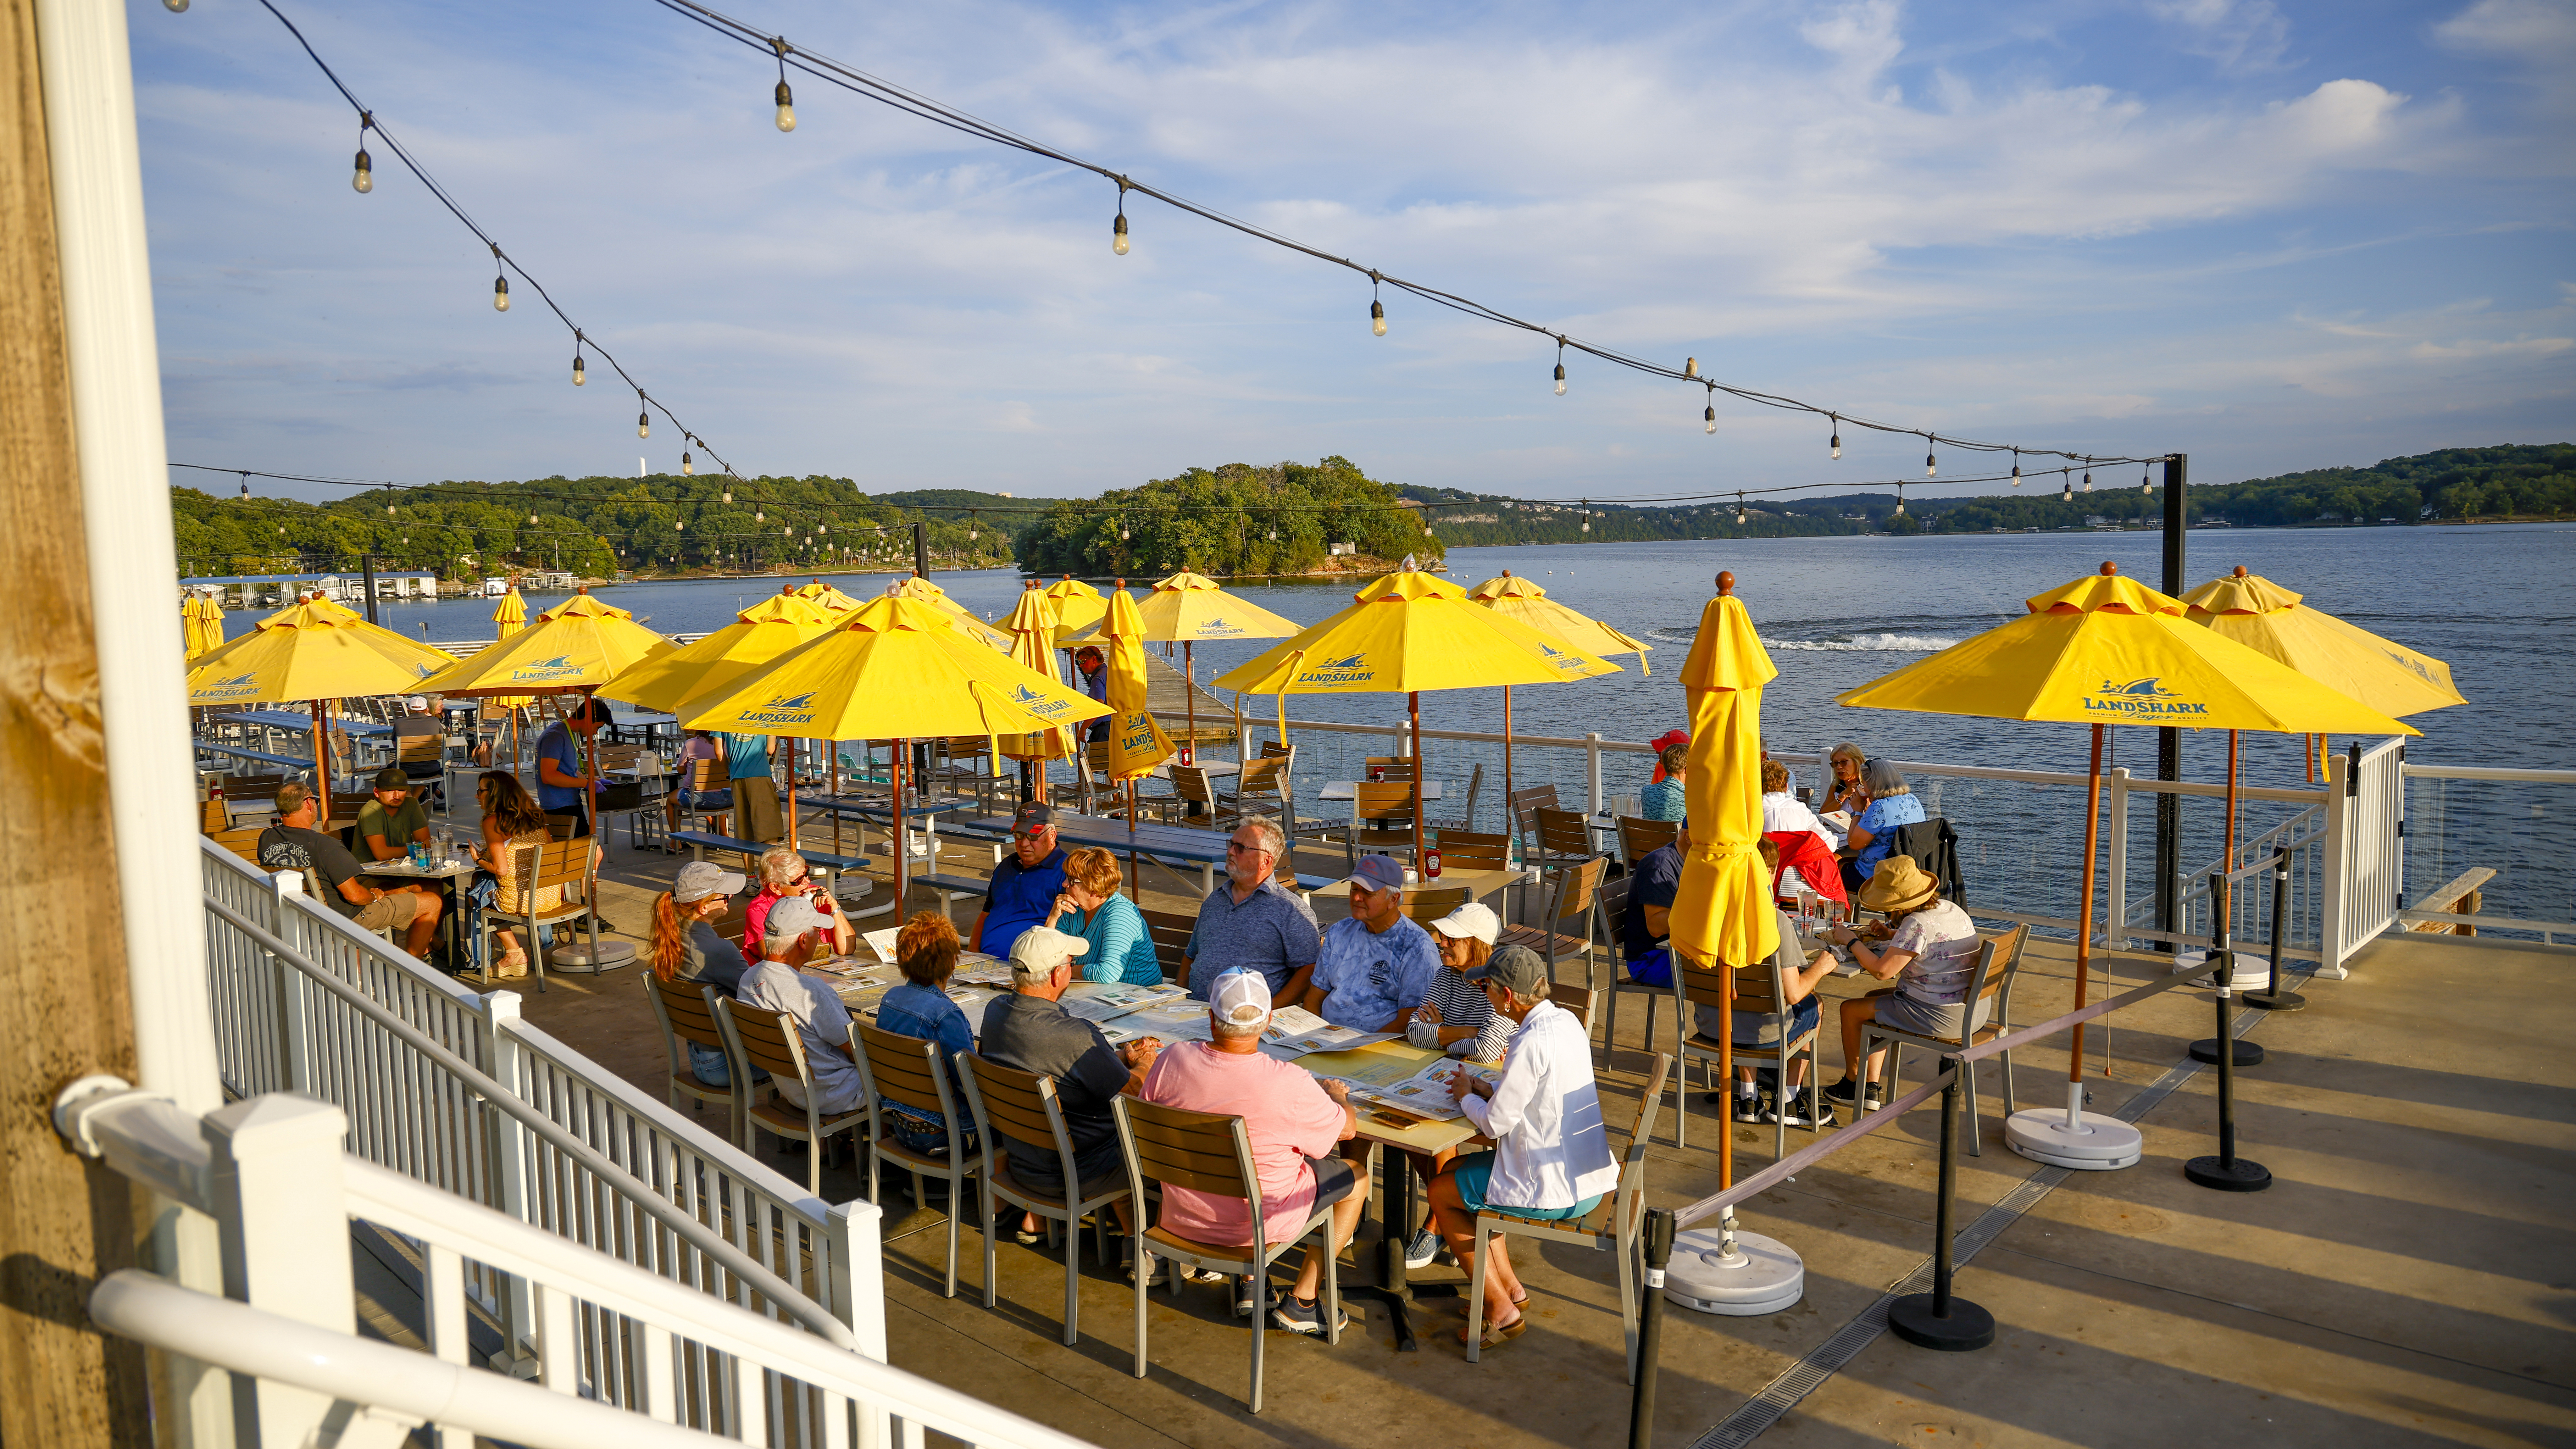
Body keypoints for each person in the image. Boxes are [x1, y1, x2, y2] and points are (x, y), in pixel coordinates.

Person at [1137, 968, 1366, 1331]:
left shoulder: (1171, 1060)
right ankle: (1303, 1300)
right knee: (1357, 1176)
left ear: (1211, 1018)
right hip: (1254, 1226)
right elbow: (1347, 1130)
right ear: (1269, 1021)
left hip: (1181, 1215)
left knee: (1270, 1155)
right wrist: (1337, 1097)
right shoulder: (1288, 1081)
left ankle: (1252, 1282)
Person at [1428, 946, 1618, 1352]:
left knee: (1441, 1193)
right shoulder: (1565, 1020)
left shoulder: (1527, 1041)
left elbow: (1497, 1124)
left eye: (1487, 989)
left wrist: (1466, 1095)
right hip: (1582, 1174)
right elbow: (1538, 1092)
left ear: (1507, 996)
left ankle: (1500, 1308)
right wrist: (1489, 1088)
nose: (1485, 996)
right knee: (1452, 1178)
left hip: (1554, 1189)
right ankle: (1509, 1289)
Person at [978, 925, 1160, 1250]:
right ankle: (1143, 1248)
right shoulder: (1075, 1036)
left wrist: (1115, 1055)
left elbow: (1054, 1062)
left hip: (1022, 1160)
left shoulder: (995, 1012)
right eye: (1068, 963)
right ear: (1055, 976)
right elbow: (1133, 1092)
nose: (1071, 969)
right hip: (1080, 1171)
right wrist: (1146, 1061)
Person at [1397, 901, 1511, 1271]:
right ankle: (1446, 1216)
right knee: (1403, 1128)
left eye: (1450, 938)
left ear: (1477, 944)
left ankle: (1437, 1221)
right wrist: (1463, 1032)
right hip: (1443, 1078)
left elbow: (1488, 1049)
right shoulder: (1447, 976)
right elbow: (1414, 1030)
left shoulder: (1499, 982)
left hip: (1486, 1093)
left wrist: (1442, 1033)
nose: (1439, 942)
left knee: (1417, 1134)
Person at [1822, 857, 1984, 1116]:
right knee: (1871, 1001)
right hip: (1971, 1008)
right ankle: (1869, 1087)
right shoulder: (1950, 908)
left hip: (1942, 1017)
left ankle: (1854, 1087)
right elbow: (1928, 944)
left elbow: (1882, 971)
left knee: (1851, 1010)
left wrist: (1851, 941)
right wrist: (1892, 936)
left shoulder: (1915, 924)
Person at [1691, 841, 1835, 1126]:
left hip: (1711, 1024)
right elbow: (1793, 994)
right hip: (1761, 1034)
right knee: (1813, 1004)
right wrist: (1823, 966)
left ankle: (1748, 1096)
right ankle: (1789, 1100)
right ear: (1769, 873)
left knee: (1741, 1001)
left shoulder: (1701, 913)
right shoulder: (1775, 920)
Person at [258, 780, 444, 958]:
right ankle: (412, 972)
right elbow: (355, 897)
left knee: (405, 890)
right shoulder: (324, 845)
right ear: (308, 804)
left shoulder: (266, 838)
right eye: (315, 801)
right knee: (432, 902)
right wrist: (373, 898)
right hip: (341, 919)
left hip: (296, 914)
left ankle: (428, 944)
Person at [736, 896, 864, 1116]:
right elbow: (855, 1049)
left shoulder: (748, 979)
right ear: (803, 941)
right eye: (817, 932)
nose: (821, 939)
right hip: (835, 1093)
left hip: (792, 1089)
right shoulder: (811, 991)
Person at [872, 910, 979, 1163]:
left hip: (900, 1123)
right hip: (946, 1134)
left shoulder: (891, 999)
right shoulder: (946, 1014)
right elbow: (970, 1082)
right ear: (953, 962)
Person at [1183, 819, 1320, 1004]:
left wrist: (1267, 1014)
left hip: (1250, 1021)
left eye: (1240, 848)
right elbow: (1191, 955)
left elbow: (1307, 972)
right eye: (1231, 844)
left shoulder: (1291, 911)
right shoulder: (1215, 900)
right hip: (1192, 1012)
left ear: (1266, 861)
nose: (1230, 851)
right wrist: (1178, 999)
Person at [1301, 855, 1442, 1033]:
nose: (1357, 898)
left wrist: (1360, 1047)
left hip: (1379, 1047)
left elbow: (1410, 1021)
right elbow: (1314, 998)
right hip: (1326, 1037)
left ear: (1393, 899)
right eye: (1354, 889)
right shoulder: (1339, 932)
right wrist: (1316, 1035)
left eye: (1368, 893)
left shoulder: (1417, 947)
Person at [649, 860, 750, 1086]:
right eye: (725, 896)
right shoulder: (718, 951)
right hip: (726, 1066)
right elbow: (762, 996)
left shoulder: (669, 941)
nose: (731, 898)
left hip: (699, 1058)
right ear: (704, 908)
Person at [463, 770, 550, 977]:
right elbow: (550, 851)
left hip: (523, 900)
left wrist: (478, 859)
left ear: (495, 794)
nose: (477, 795)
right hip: (549, 894)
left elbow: (502, 870)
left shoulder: (493, 822)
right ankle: (523, 949)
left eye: (480, 791)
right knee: (483, 884)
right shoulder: (534, 814)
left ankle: (512, 951)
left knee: (477, 897)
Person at [1045, 847, 1163, 985]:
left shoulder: (1120, 914)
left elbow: (1107, 973)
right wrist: (1053, 917)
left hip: (1138, 992)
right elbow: (1046, 959)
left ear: (1094, 887)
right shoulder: (1072, 908)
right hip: (1096, 990)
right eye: (1066, 877)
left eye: (1072, 880)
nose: (1065, 884)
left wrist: (1063, 971)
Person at [971, 803, 1067, 954]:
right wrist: (972, 955)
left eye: (1033, 836)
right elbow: (986, 913)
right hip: (986, 963)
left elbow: (1073, 928)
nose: (1024, 844)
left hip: (1032, 966)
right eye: (1019, 835)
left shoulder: (1067, 871)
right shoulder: (1006, 867)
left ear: (1052, 836)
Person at [743, 846, 854, 959]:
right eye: (799, 881)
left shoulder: (815, 895)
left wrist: (834, 905)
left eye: (807, 873)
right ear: (776, 887)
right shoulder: (760, 911)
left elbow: (847, 949)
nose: (808, 881)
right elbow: (775, 961)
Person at [1839, 757, 1925, 893]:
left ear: (1872, 784)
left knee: (1831, 870)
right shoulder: (1912, 799)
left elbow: (1854, 844)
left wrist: (1857, 811)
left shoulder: (1880, 807)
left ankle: (1832, 912)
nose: (1864, 788)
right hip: (1906, 873)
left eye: (1865, 784)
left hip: (1876, 876)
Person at [534, 696, 612, 839]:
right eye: (597, 728)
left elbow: (566, 770)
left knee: (589, 853)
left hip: (569, 802)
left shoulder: (566, 732)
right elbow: (549, 776)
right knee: (590, 855)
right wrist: (586, 784)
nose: (596, 733)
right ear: (588, 719)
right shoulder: (556, 736)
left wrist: (592, 779)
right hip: (560, 807)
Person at [1621, 820, 1687, 987]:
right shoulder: (1659, 867)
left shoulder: (1695, 863)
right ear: (1688, 837)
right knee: (1729, 977)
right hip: (1649, 960)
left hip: (1677, 950)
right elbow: (1656, 927)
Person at [355, 766, 431, 863]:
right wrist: (414, 849)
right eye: (390, 791)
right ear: (376, 792)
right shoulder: (371, 811)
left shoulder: (411, 804)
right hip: (370, 870)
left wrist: (414, 849)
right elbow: (382, 855)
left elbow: (427, 841)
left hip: (402, 865)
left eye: (402, 790)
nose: (397, 796)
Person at [720, 728, 784, 843]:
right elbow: (770, 750)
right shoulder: (766, 716)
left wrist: (731, 771)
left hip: (736, 777)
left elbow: (719, 753)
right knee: (768, 827)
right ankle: (768, 862)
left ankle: (748, 862)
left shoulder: (722, 717)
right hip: (760, 774)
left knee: (744, 830)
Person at [1639, 743, 1689, 822]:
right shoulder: (1688, 798)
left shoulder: (1646, 792)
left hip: (1650, 834)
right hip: (1677, 835)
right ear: (1687, 769)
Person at [1821, 741, 1870, 818]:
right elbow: (1822, 816)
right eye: (1835, 763)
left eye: (1844, 762)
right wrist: (1842, 797)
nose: (1839, 767)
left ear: (1858, 762)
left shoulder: (1869, 785)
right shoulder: (1837, 786)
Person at [1072, 646, 1110, 743]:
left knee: (1090, 757)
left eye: (1083, 662)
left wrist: (1083, 729)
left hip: (1103, 730)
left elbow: (1099, 706)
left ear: (1094, 659)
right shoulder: (1108, 672)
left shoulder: (1098, 679)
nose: (1081, 666)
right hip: (1113, 727)